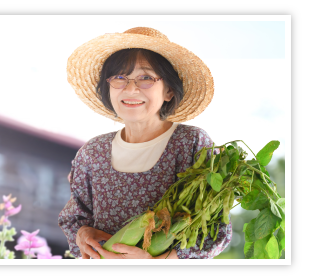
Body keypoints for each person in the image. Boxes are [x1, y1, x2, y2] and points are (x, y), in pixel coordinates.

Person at [58, 27, 232, 259]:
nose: (131, 89)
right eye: (119, 77)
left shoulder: (190, 142)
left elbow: (216, 229)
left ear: (169, 90)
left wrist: (156, 263)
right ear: (108, 87)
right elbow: (75, 218)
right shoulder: (92, 152)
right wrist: (83, 233)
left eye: (146, 78)